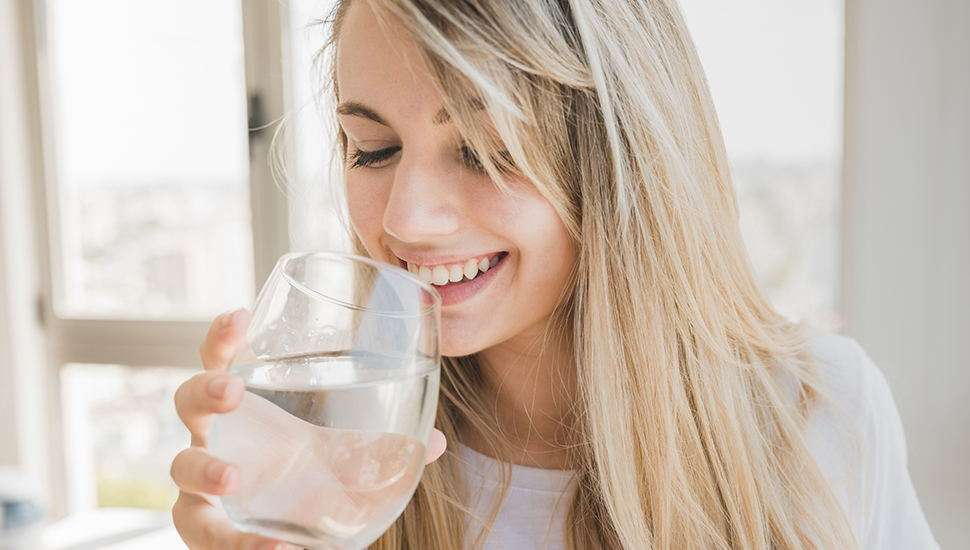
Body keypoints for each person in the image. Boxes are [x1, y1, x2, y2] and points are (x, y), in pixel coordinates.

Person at [170, 1, 940, 549]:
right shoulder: (335, 470)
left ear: (621, 156)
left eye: (483, 146)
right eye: (371, 148)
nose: (404, 217)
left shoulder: (824, 417)